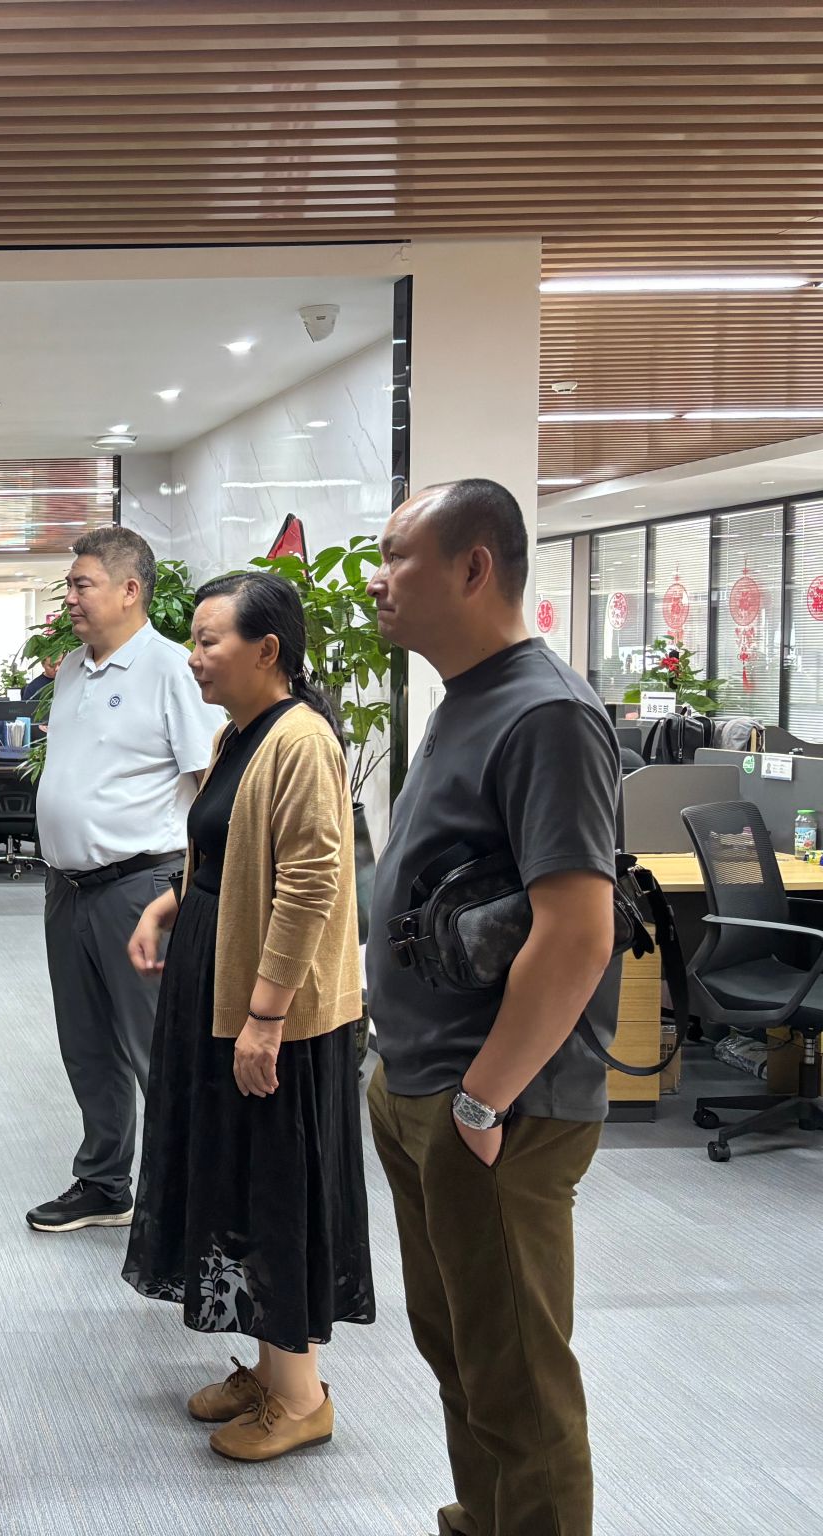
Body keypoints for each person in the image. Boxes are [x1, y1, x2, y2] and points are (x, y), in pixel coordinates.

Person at [365, 480, 622, 1536]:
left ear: (473, 567)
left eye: (398, 556)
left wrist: (481, 1101)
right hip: (423, 1080)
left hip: (497, 1109)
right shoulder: (465, 697)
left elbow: (578, 931)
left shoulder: (545, 712)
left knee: (519, 1383)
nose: (377, 580)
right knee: (463, 1355)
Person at [123, 571, 374, 1462]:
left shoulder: (301, 741)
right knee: (233, 1174)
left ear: (267, 650)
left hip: (277, 1014)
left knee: (274, 1183)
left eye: (208, 640)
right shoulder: (240, 732)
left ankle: (301, 1398)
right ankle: (271, 1371)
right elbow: (226, 849)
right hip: (220, 987)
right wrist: (170, 903)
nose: (194, 657)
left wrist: (265, 1017)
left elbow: (308, 884)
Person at [28, 526, 223, 1234]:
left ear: (130, 590)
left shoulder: (173, 669)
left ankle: (189, 1201)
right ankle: (105, 1183)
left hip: (141, 888)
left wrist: (184, 892)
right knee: (86, 1045)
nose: (70, 598)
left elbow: (211, 788)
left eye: (82, 585)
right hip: (68, 889)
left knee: (156, 1050)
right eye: (70, 585)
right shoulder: (72, 671)